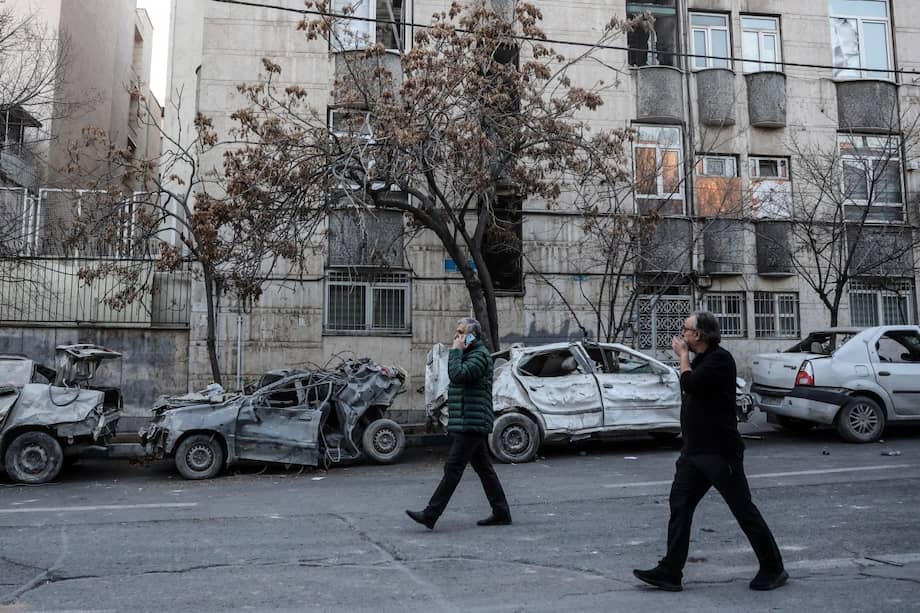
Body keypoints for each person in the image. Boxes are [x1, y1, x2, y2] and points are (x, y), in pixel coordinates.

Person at [633, 311, 787, 592]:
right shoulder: (703, 359)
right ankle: (670, 571)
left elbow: (689, 383)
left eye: (686, 330)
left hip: (719, 453)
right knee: (680, 507)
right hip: (694, 454)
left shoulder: (719, 360)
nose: (683, 334)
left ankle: (773, 567)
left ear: (699, 335)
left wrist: (682, 357)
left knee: (743, 510)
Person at [406, 317, 511, 530]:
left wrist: (455, 350)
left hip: (472, 423)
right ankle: (501, 511)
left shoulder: (479, 356)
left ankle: (431, 514)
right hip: (469, 420)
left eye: (461, 332)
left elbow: (457, 375)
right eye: (457, 332)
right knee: (484, 468)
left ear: (472, 336)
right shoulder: (470, 354)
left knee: (453, 468)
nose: (456, 336)